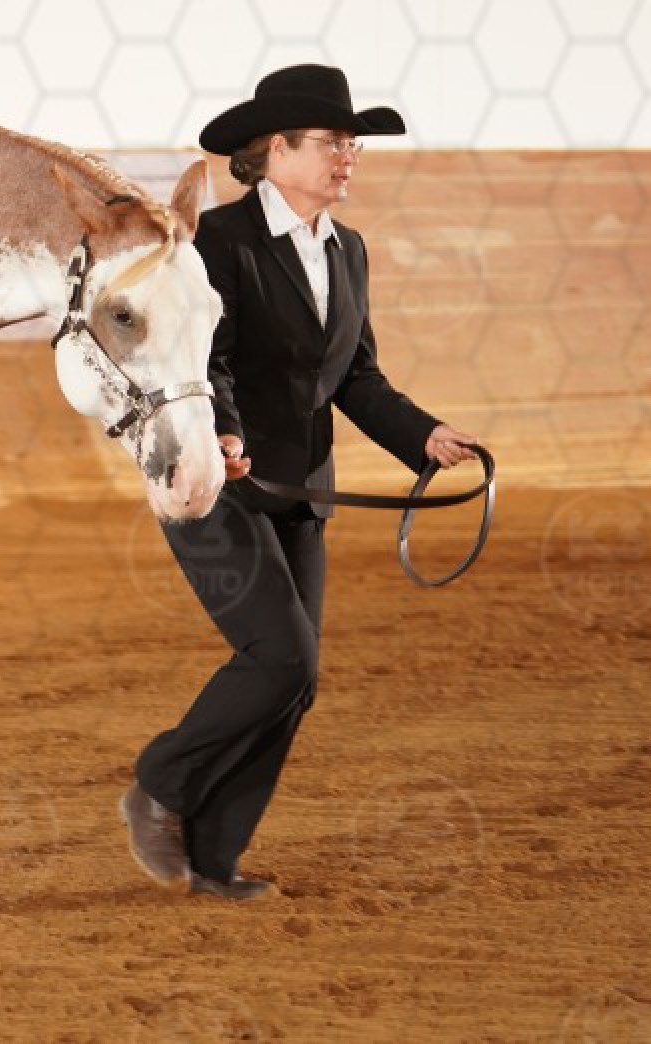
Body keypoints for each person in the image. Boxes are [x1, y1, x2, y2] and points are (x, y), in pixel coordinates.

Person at [119, 63, 479, 901]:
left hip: (304, 493)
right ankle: (160, 784)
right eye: (331, 142)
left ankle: (214, 859)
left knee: (296, 677)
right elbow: (203, 361)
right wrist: (227, 430)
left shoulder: (347, 251)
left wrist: (423, 435)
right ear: (275, 150)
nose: (347, 157)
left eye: (353, 145)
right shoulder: (219, 243)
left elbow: (356, 377)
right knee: (280, 658)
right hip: (216, 483)